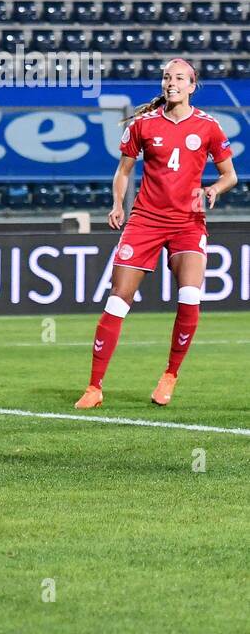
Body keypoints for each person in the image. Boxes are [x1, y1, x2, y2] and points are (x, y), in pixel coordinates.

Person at [76, 58, 237, 409]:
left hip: (187, 223)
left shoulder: (209, 127)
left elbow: (231, 175)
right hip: (145, 220)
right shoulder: (143, 125)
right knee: (118, 299)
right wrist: (118, 203)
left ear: (192, 85)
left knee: (191, 297)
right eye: (166, 77)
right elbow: (123, 171)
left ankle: (170, 375)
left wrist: (213, 190)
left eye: (179, 77)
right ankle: (94, 387)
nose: (171, 82)